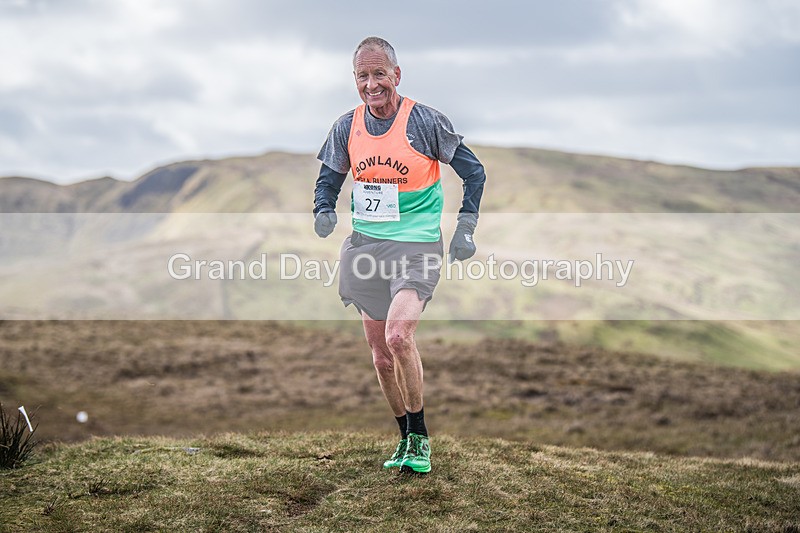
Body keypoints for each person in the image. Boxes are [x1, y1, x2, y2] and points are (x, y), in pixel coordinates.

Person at [314, 36, 486, 474]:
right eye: (362, 76)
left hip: (417, 248)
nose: (372, 84)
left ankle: (422, 439)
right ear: (355, 79)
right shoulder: (345, 127)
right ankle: (405, 439)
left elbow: (473, 171)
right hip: (366, 248)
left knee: (397, 336)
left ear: (396, 75)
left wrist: (466, 228)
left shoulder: (424, 121)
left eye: (379, 74)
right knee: (379, 355)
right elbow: (328, 179)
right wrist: (323, 210)